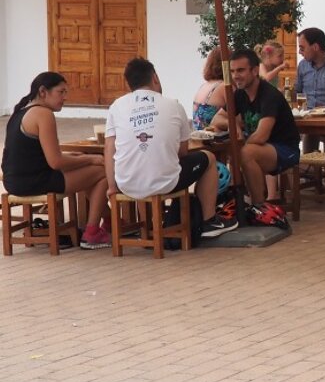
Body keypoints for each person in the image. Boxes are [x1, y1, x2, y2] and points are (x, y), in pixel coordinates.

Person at [105, 58, 237, 238]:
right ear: (155, 78)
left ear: (128, 83)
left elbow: (109, 149)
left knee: (142, 165)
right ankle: (208, 221)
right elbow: (182, 152)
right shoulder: (173, 105)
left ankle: (148, 229)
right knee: (208, 158)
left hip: (125, 182)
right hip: (166, 183)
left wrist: (112, 186)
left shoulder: (116, 107)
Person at [2, 72, 110, 249]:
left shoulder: (20, 112)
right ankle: (92, 232)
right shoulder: (43, 114)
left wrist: (81, 158)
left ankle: (110, 221)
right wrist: (90, 158)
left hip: (13, 181)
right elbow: (56, 162)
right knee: (101, 171)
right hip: (34, 181)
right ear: (43, 91)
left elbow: (44, 155)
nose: (65, 98)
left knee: (90, 170)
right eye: (61, 92)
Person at [230, 48, 301, 226]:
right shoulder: (239, 94)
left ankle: (258, 207)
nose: (235, 76)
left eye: (240, 70)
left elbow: (261, 135)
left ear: (254, 70)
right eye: (232, 71)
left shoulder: (269, 94)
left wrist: (241, 142)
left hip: (286, 149)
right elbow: (219, 117)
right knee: (235, 153)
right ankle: (237, 204)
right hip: (263, 148)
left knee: (245, 153)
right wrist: (236, 125)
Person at [192, 49, 227, 132]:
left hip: (198, 137)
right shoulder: (224, 86)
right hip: (215, 140)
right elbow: (238, 116)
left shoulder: (204, 85)